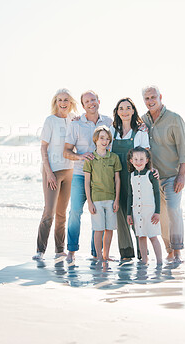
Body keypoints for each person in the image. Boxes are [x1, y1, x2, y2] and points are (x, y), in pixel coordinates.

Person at [141, 85, 185, 262]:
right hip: (153, 179)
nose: (150, 101)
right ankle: (169, 251)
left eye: (153, 97)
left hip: (172, 176)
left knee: (172, 210)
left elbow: (184, 149)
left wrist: (182, 175)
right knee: (161, 217)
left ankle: (177, 251)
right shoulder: (142, 121)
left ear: (160, 97)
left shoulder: (174, 119)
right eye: (146, 98)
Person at [64, 91, 112, 263]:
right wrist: (80, 156)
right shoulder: (75, 124)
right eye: (87, 101)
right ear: (83, 106)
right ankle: (71, 250)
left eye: (93, 100)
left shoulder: (108, 121)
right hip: (79, 175)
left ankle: (96, 252)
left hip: (101, 177)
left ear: (99, 101)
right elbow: (66, 151)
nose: (91, 103)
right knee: (75, 211)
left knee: (97, 212)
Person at [32, 88, 78, 261]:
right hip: (52, 171)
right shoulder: (50, 120)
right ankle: (40, 250)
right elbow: (43, 147)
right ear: (56, 102)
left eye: (66, 100)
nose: (63, 103)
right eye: (60, 100)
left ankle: (60, 250)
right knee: (49, 211)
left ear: (71, 102)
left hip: (69, 170)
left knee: (62, 213)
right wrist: (49, 173)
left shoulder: (74, 119)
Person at [110, 97, 150, 261]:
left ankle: (143, 253)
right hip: (116, 178)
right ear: (117, 112)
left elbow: (146, 157)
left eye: (128, 108)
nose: (124, 111)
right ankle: (126, 253)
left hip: (134, 179)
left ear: (133, 111)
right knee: (120, 215)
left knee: (135, 214)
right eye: (121, 108)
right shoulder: (112, 132)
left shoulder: (140, 132)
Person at [83, 126, 122, 261]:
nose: (104, 141)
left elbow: (117, 180)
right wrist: (89, 202)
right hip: (97, 199)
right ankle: (99, 256)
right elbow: (87, 182)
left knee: (109, 229)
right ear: (96, 140)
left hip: (111, 199)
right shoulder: (90, 158)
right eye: (102, 138)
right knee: (98, 229)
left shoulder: (114, 158)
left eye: (107, 139)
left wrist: (116, 200)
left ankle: (106, 255)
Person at [127, 146, 162, 265]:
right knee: (141, 236)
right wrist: (128, 214)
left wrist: (158, 212)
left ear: (147, 160)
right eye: (135, 159)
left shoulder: (151, 174)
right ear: (131, 161)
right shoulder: (131, 176)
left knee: (153, 236)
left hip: (150, 211)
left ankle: (159, 262)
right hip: (137, 211)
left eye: (141, 159)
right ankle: (144, 261)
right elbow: (130, 196)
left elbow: (157, 193)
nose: (138, 162)